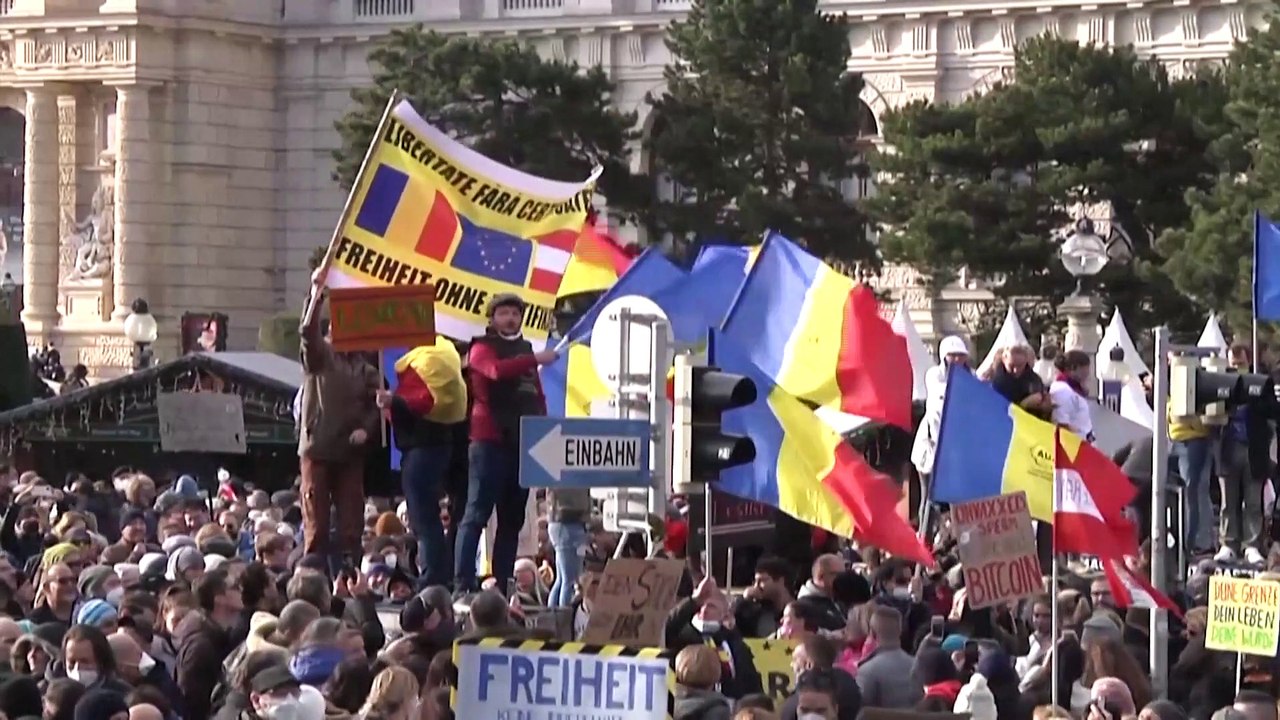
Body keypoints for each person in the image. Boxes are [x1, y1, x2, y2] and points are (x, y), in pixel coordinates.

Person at [454, 293, 557, 594]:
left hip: (522, 443)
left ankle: (502, 582)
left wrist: (544, 424)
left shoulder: (523, 349)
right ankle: (463, 583)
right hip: (489, 442)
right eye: (504, 313)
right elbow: (495, 372)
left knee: (512, 521)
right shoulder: (482, 347)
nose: (511, 318)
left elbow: (536, 394)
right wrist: (536, 359)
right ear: (492, 318)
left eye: (515, 313)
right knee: (476, 514)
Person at [296, 268, 382, 566]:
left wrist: (367, 429)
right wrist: (316, 294)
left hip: (349, 451)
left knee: (351, 526)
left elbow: (377, 408)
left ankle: (349, 574)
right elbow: (307, 332)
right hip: (317, 447)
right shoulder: (321, 358)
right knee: (316, 524)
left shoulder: (367, 370)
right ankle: (312, 578)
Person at [383, 337, 468, 588]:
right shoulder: (448, 367)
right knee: (433, 518)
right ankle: (444, 574)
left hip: (421, 449)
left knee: (424, 519)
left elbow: (420, 404)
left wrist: (393, 401)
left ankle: (434, 576)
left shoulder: (426, 366)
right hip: (441, 447)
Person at [1050, 350, 1095, 441]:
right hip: (1075, 445)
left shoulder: (1074, 389)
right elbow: (1061, 423)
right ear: (1073, 368)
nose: (1087, 374)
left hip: (1085, 441)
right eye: (1085, 370)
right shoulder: (1062, 390)